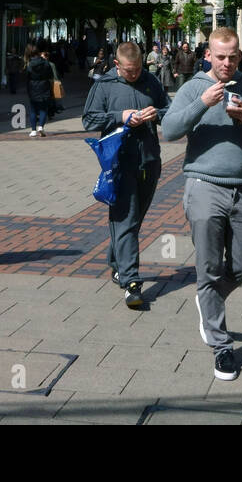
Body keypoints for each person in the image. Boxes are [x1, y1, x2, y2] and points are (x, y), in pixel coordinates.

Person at [162, 27, 242, 382]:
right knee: (209, 267)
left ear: (239, 56)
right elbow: (168, 130)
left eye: (233, 57)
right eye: (220, 56)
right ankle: (221, 347)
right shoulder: (194, 87)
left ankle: (208, 298)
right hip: (203, 185)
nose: (227, 63)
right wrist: (202, 104)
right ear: (208, 56)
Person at [83, 41, 170, 308]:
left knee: (133, 220)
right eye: (130, 71)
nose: (135, 75)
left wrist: (157, 114)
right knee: (126, 219)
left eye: (138, 69)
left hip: (149, 160)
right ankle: (132, 283)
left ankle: (117, 263)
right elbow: (89, 119)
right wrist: (120, 116)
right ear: (117, 65)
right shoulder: (105, 85)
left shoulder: (151, 81)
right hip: (119, 162)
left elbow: (170, 111)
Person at [25, 46, 56, 137]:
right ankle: (41, 127)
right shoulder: (46, 63)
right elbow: (51, 75)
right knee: (43, 108)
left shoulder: (30, 64)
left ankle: (33, 130)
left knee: (33, 109)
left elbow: (27, 76)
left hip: (33, 87)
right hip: (44, 86)